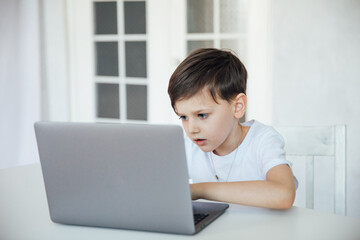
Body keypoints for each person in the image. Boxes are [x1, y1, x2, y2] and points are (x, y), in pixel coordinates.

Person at [168, 48, 297, 209]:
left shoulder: (263, 140)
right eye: (184, 117)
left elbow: (283, 195)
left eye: (202, 115)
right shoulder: (190, 148)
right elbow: (160, 186)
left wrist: (200, 189)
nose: (192, 129)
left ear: (237, 107)